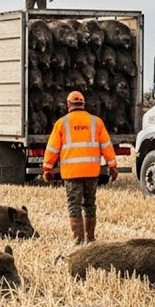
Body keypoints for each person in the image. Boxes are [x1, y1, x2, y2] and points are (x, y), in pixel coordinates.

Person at [42, 91, 117, 243]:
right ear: (83, 104)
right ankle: (91, 238)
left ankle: (78, 240)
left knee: (74, 205)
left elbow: (52, 149)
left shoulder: (61, 123)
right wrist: (112, 166)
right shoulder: (96, 122)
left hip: (71, 173)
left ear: (68, 105)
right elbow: (107, 146)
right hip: (91, 172)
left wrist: (47, 169)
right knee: (89, 204)